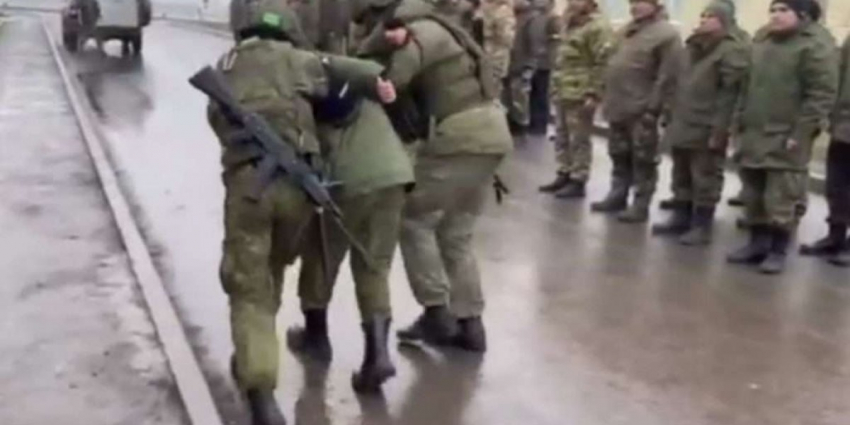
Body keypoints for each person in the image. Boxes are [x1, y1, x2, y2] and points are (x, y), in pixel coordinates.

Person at [206, 1, 395, 422]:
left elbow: (216, 119)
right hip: (298, 191)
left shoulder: (228, 63)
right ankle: (254, 351)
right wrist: (375, 79)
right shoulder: (302, 60)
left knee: (250, 285)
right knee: (271, 270)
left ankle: (260, 390)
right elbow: (342, 73)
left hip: (250, 190)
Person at [358, 0, 513, 352]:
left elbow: (393, 81)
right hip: (491, 133)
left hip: (461, 136)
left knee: (413, 218)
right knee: (455, 234)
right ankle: (470, 325)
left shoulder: (420, 33)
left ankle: (436, 312)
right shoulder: (449, 30)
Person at [286, 88, 415, 394]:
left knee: (321, 254)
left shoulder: (308, 93)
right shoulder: (359, 85)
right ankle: (377, 355)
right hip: (395, 176)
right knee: (374, 267)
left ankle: (316, 337)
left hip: (348, 181)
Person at [727, 0, 837, 275]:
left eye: (783, 10)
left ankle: (777, 250)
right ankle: (757, 244)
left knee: (781, 197)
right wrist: (738, 120)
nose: (775, 16)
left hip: (786, 135)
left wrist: (801, 132)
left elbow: (820, 95)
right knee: (753, 192)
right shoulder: (763, 40)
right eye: (773, 10)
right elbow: (746, 85)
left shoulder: (814, 46)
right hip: (754, 130)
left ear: (802, 15)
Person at [651, 1, 749, 245]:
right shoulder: (693, 46)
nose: (704, 20)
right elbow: (677, 81)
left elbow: (730, 94)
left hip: (707, 123)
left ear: (724, 21)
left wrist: (721, 129)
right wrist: (669, 111)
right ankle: (681, 215)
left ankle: (702, 224)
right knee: (681, 172)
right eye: (703, 15)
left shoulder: (730, 50)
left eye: (711, 16)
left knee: (704, 176)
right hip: (684, 119)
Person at [593, 0, 683, 223]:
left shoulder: (666, 35)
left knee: (643, 158)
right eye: (632, 2)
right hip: (619, 104)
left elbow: (667, 77)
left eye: (641, 2)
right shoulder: (628, 30)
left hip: (642, 108)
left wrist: (654, 108)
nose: (635, 6)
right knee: (618, 153)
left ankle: (640, 203)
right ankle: (618, 193)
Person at [539, 0, 613, 198]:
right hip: (563, 89)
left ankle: (578, 179)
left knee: (579, 138)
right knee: (562, 135)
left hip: (581, 93)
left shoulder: (598, 27)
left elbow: (603, 63)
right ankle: (564, 171)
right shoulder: (571, 23)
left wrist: (594, 93)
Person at [800, 32, 850, 267]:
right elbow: (839, 73)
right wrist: (831, 113)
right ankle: (835, 235)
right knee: (837, 185)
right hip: (844, 124)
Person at [506, 0, 543, 136]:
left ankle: (521, 126)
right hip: (511, 63)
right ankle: (513, 123)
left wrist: (530, 65)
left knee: (520, 97)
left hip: (522, 64)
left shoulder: (532, 18)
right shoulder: (513, 16)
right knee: (510, 97)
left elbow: (535, 45)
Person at [527, 0, 557, 136]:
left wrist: (550, 57)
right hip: (532, 61)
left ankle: (540, 125)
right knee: (533, 94)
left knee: (541, 95)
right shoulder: (533, 18)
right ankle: (533, 122)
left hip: (544, 62)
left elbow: (554, 43)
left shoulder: (553, 19)